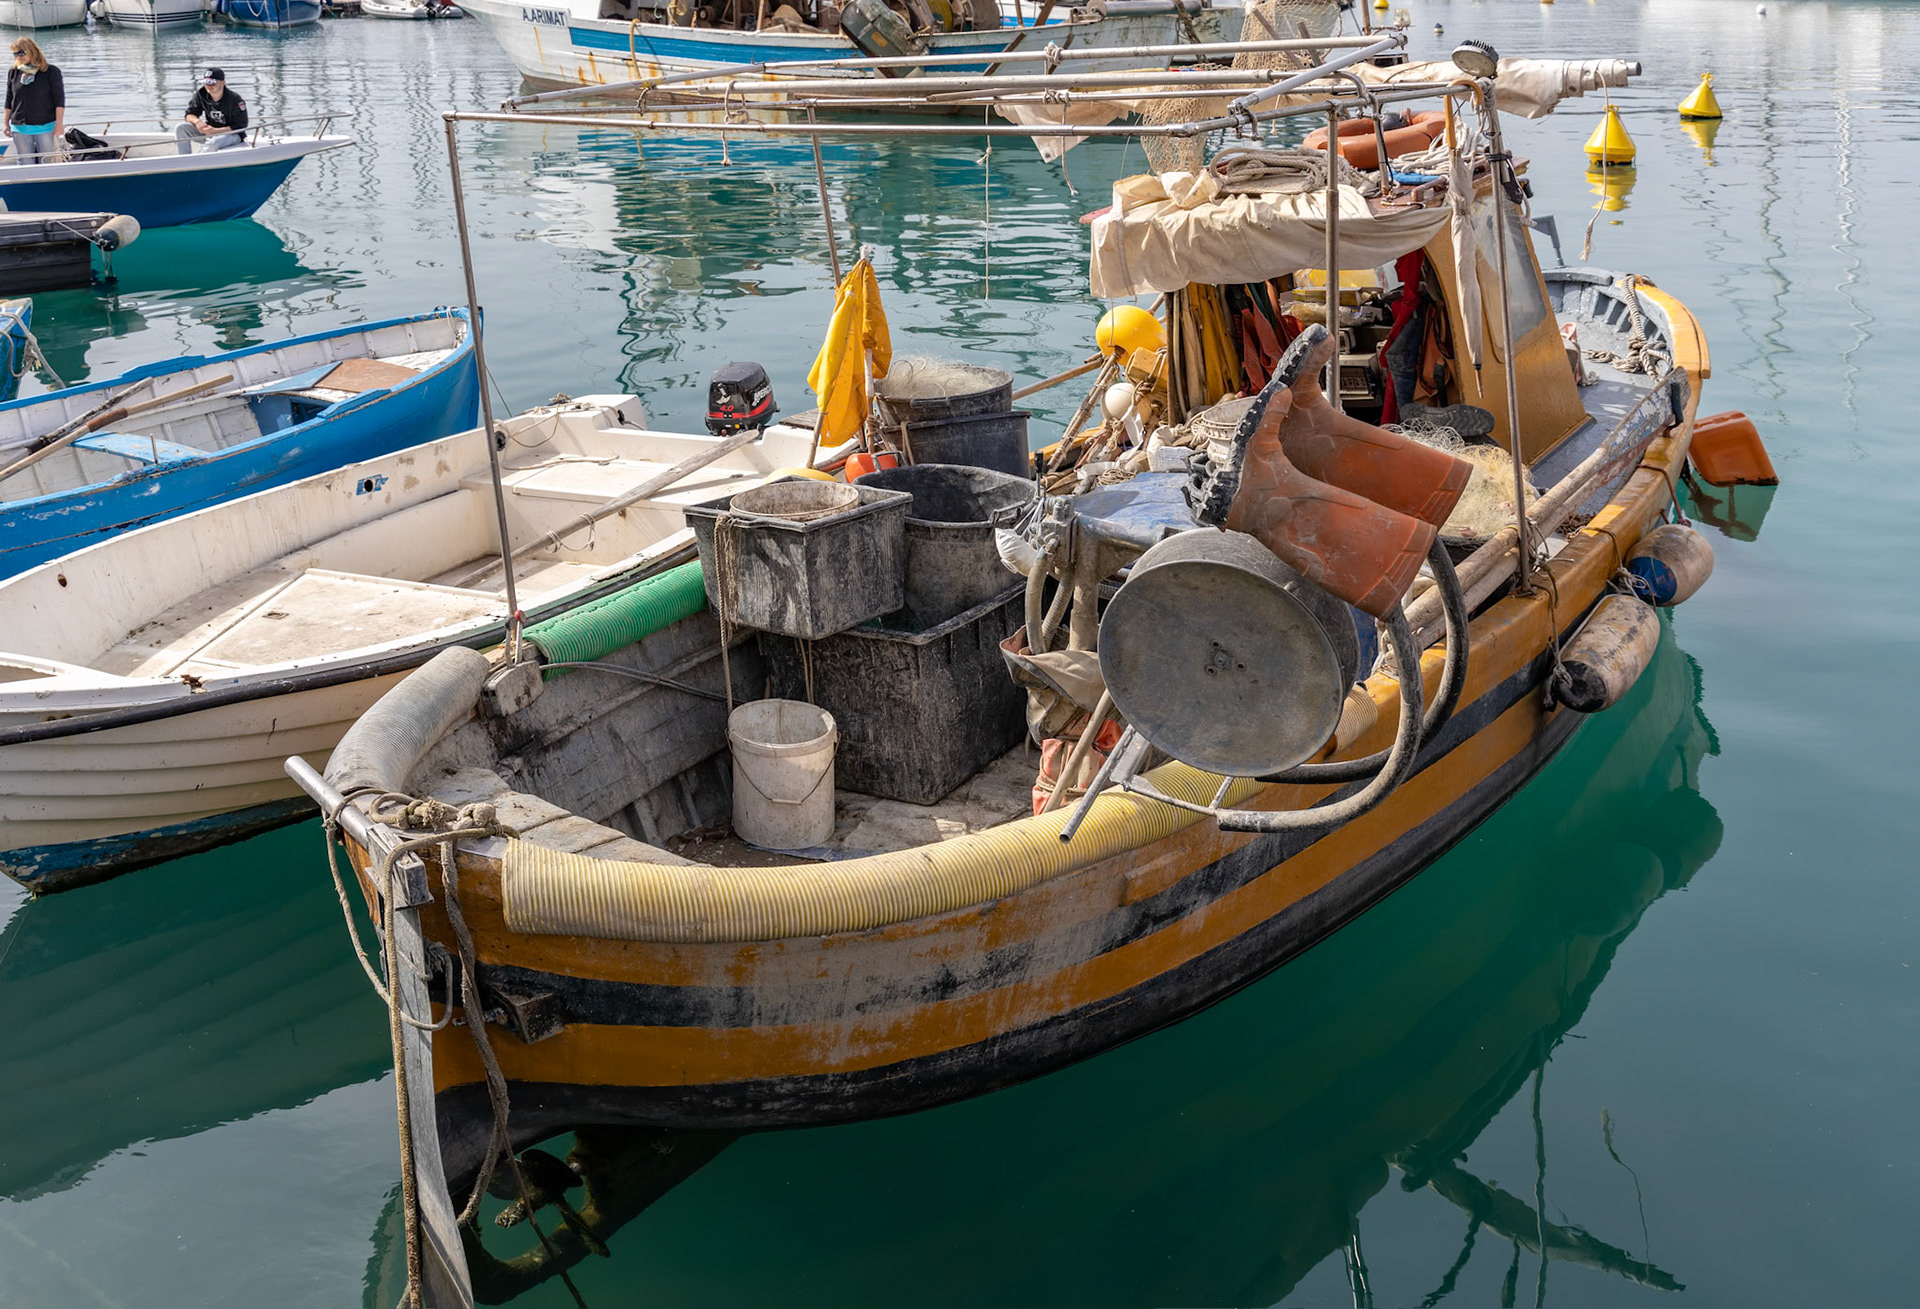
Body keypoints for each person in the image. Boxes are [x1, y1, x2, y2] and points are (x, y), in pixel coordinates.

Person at [3, 39, 65, 166]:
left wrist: (59, 124)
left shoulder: (51, 71)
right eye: (15, 54)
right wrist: (5, 123)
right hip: (19, 126)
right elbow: (9, 98)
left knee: (47, 162)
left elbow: (59, 99)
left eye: (21, 53)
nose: (18, 57)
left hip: (45, 125)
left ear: (32, 51)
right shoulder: (13, 72)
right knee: (25, 162)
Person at [176, 67, 248, 156]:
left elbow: (241, 126)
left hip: (232, 134)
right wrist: (198, 122)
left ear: (223, 83)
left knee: (214, 142)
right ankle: (183, 159)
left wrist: (215, 131)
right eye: (206, 82)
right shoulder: (201, 94)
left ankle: (197, 163)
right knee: (181, 128)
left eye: (212, 82)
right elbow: (189, 114)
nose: (208, 86)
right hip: (209, 131)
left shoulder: (235, 100)